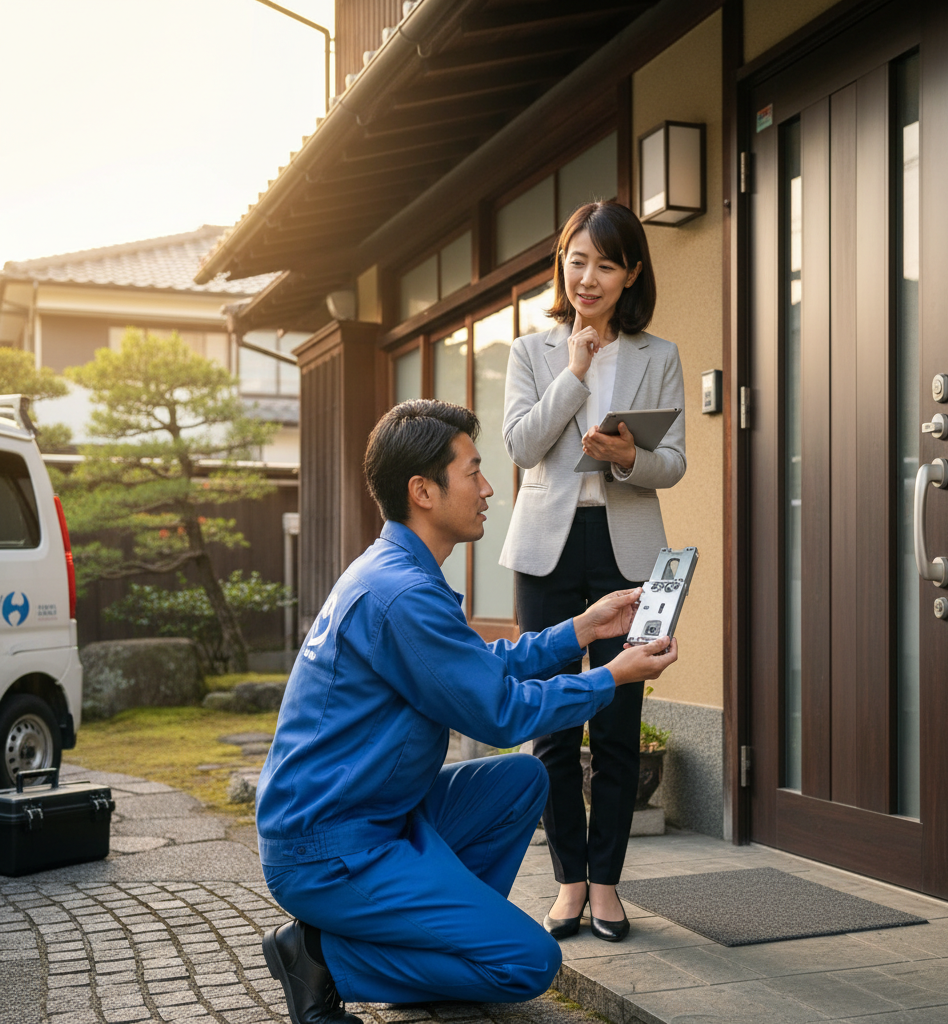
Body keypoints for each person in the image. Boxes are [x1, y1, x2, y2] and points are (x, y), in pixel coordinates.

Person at [256, 399, 678, 1024]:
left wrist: (583, 629)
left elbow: (477, 668)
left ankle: (441, 946)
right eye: (474, 472)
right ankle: (319, 956)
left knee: (521, 779)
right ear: (422, 491)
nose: (488, 490)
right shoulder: (402, 593)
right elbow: (499, 712)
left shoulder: (394, 572)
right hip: (331, 848)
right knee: (528, 964)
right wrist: (612, 676)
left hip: (374, 816)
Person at [500, 201, 686, 943]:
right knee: (550, 725)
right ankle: (568, 883)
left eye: (606, 264)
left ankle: (606, 885)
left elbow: (673, 463)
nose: (588, 277)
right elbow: (521, 446)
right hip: (546, 550)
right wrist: (574, 373)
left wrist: (629, 457)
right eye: (577, 260)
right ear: (562, 265)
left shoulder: (657, 354)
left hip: (626, 549)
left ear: (631, 273)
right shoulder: (531, 351)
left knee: (616, 725)